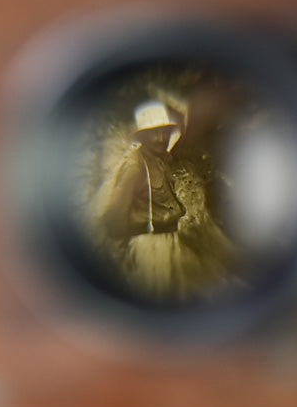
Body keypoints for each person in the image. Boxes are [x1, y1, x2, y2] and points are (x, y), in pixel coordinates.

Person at [95, 97, 236, 300]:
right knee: (156, 299)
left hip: (169, 240)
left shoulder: (162, 160)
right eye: (153, 133)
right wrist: (133, 241)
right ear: (142, 136)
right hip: (151, 246)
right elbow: (115, 215)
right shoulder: (135, 166)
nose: (161, 138)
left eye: (164, 131)